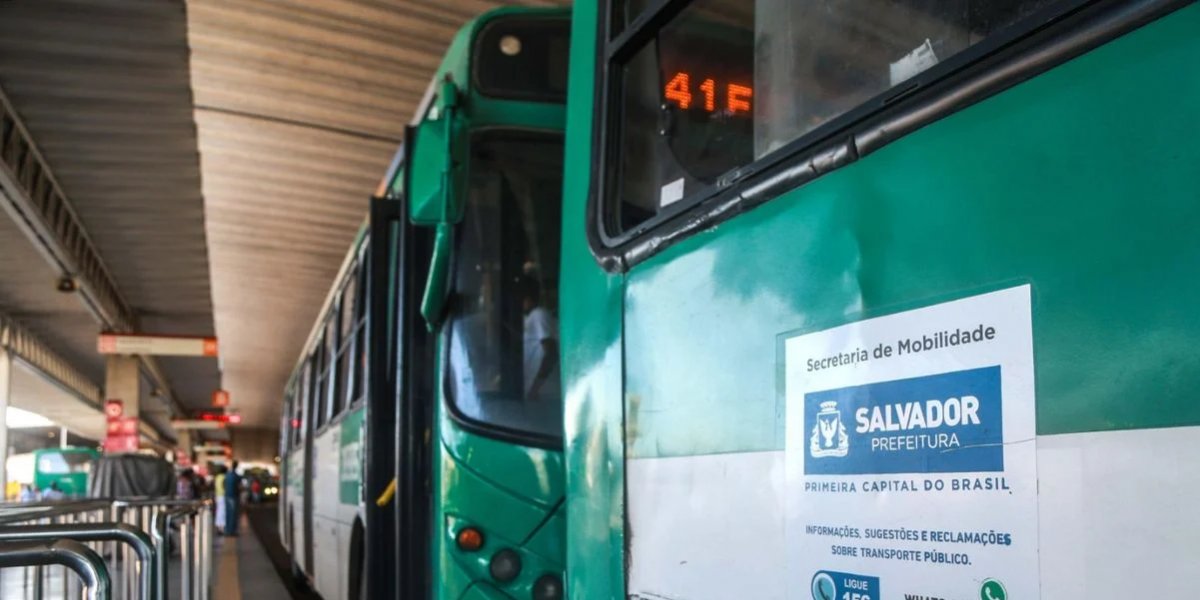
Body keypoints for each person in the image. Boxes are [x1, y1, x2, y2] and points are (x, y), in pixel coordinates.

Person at [521, 276, 559, 402]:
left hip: (542, 392)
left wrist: (535, 388)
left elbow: (551, 353)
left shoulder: (539, 315)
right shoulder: (529, 318)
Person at [224, 461, 241, 536]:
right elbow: (239, 486)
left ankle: (228, 530)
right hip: (233, 496)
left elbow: (224, 484)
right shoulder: (236, 475)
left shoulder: (227, 475)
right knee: (233, 515)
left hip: (227, 496)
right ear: (236, 466)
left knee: (228, 514)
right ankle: (231, 531)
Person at [213, 466, 227, 533]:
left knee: (219, 511)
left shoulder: (217, 477)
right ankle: (222, 527)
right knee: (223, 511)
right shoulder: (224, 477)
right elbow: (224, 486)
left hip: (218, 496)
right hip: (223, 496)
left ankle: (219, 526)